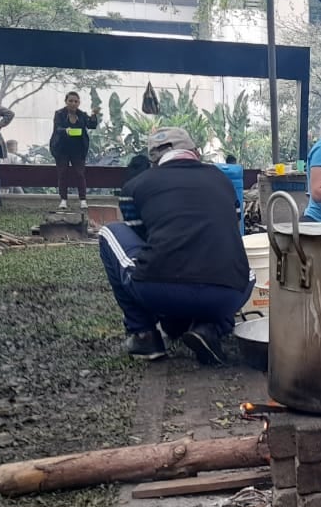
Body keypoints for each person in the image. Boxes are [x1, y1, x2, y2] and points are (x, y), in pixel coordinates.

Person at [99, 127, 252, 364]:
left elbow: (142, 237)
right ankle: (211, 326)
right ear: (195, 152)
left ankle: (143, 333)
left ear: (153, 161)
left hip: (159, 289)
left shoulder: (136, 186)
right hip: (228, 293)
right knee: (244, 269)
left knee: (110, 231)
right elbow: (234, 222)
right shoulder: (221, 179)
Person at [49, 91, 100, 211]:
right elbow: (57, 128)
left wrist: (93, 115)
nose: (73, 103)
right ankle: (63, 200)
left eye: (76, 101)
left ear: (79, 103)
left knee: (80, 174)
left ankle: (83, 200)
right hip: (62, 149)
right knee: (62, 174)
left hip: (78, 150)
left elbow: (91, 125)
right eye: (70, 101)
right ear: (66, 102)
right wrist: (65, 130)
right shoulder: (59, 114)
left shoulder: (82, 114)